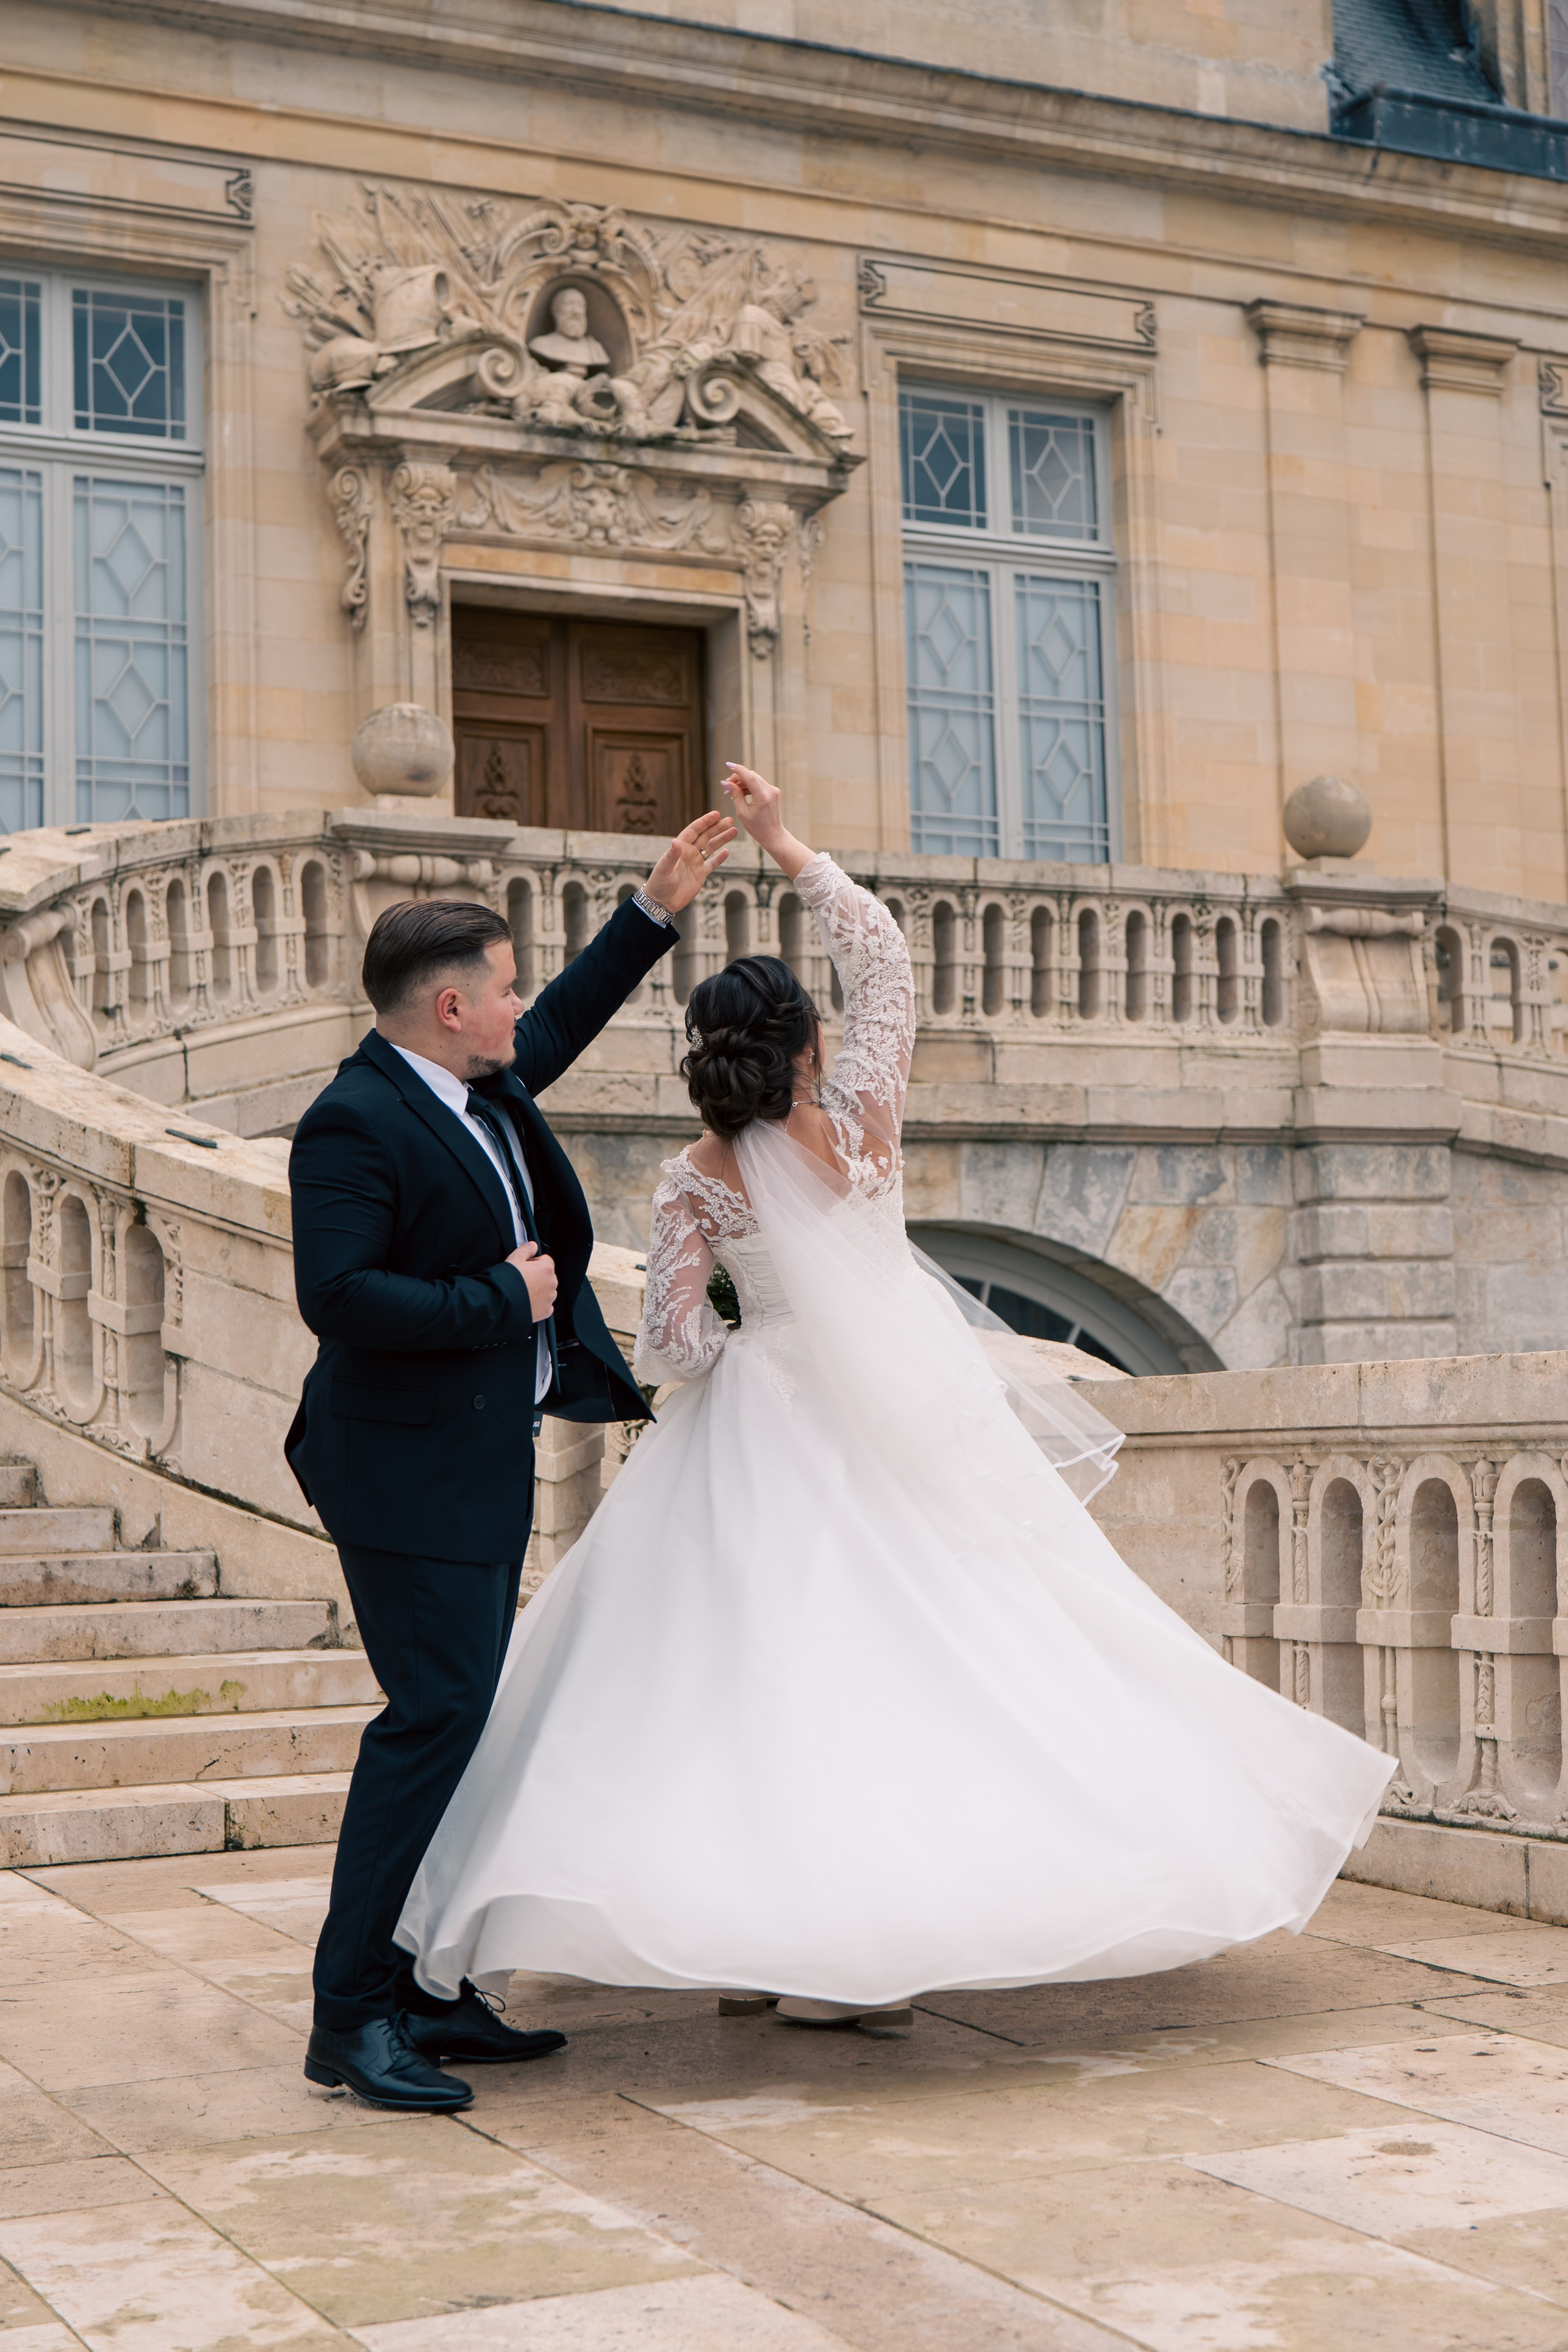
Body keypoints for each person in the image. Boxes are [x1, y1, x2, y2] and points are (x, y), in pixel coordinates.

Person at [396, 767, 1394, 2030]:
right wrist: (785, 843)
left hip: (757, 1426)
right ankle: (838, 1961)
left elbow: (671, 1348)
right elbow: (884, 960)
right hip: (905, 1418)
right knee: (912, 1667)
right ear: (805, 1043)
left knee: (738, 1684)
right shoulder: (866, 1120)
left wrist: (737, 1351)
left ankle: (768, 1942)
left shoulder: (696, 1178)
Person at [285, 809, 734, 2111]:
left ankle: (423, 1989)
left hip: (470, 1468)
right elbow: (340, 1296)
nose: (518, 1005)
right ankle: (350, 2016)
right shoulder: (353, 1123)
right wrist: (503, 1298)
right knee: (429, 1724)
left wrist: (652, 910)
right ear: (447, 1005)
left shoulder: (473, 1080)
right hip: (403, 1480)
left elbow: (559, 1027)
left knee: (462, 1728)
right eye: (501, 988)